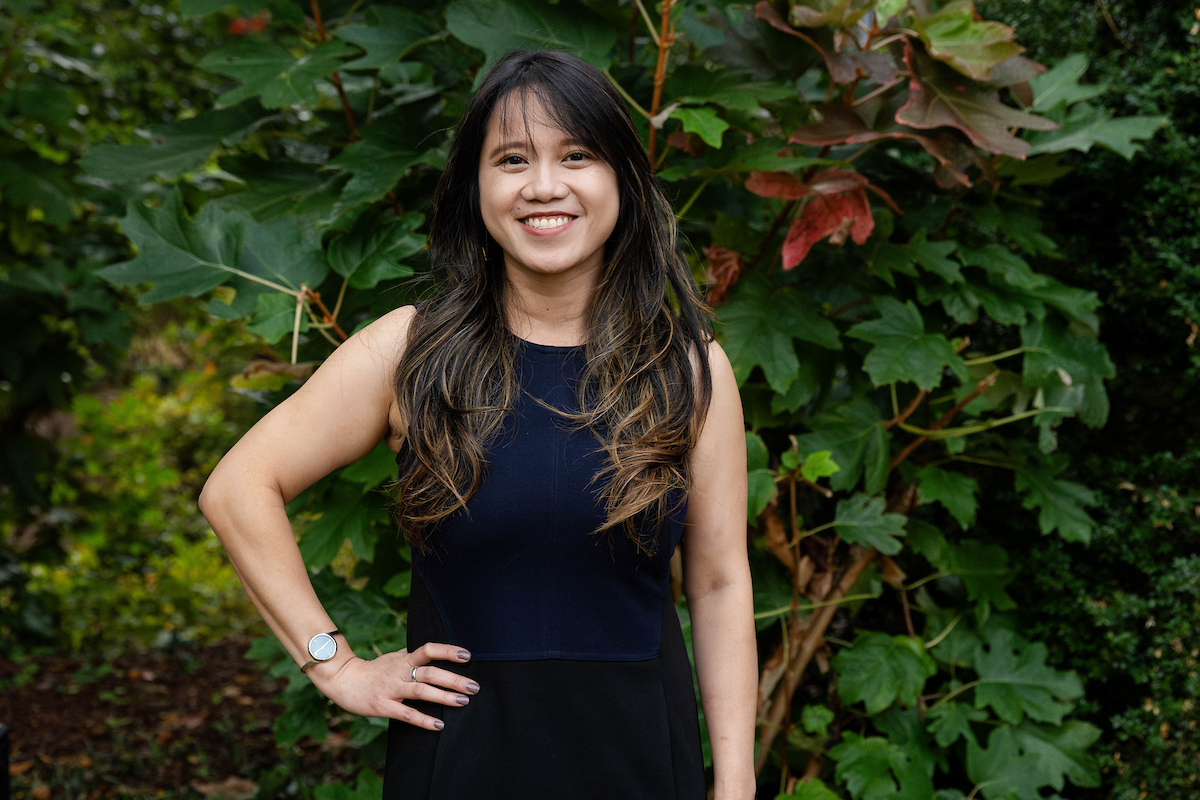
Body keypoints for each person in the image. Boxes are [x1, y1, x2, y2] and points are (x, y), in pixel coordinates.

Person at [199, 48, 756, 799]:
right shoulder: (409, 351)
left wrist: (737, 781)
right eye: (513, 159)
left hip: (644, 764)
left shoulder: (688, 368)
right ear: (476, 185)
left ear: (623, 178)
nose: (544, 185)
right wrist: (333, 664)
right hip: (458, 766)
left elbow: (719, 583)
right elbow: (238, 488)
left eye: (577, 155)